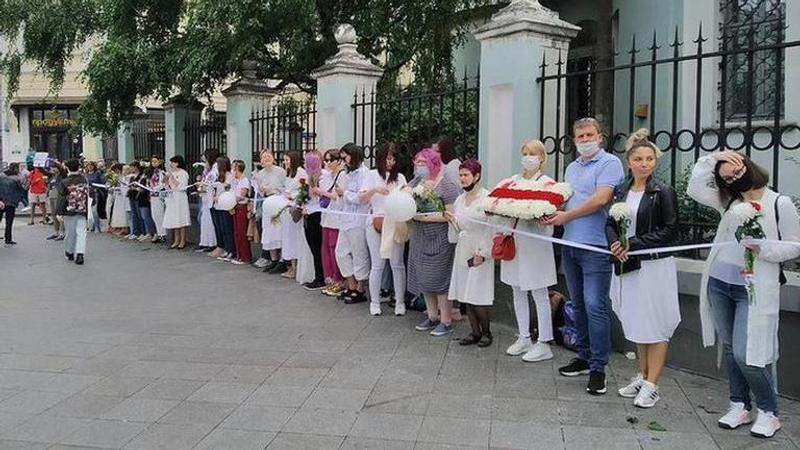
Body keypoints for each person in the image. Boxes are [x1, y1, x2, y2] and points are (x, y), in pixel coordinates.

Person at [688, 150, 800, 438]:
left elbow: (795, 245)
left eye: (736, 172)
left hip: (752, 288)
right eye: (727, 178)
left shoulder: (779, 203)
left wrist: (762, 249)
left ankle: (769, 411)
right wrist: (715, 158)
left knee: (746, 352)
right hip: (720, 282)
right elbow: (696, 187)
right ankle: (739, 403)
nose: (734, 179)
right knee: (729, 348)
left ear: (748, 165)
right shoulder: (730, 201)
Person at [543, 117, 624, 395]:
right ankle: (584, 356)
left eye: (590, 135)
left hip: (596, 247)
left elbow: (602, 199)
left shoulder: (610, 163)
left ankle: (599, 367)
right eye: (581, 137)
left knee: (595, 305)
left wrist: (567, 215)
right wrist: (550, 210)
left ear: (600, 137)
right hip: (571, 244)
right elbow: (567, 199)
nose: (586, 140)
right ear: (574, 140)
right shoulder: (572, 167)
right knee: (578, 304)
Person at [606, 129, 679, 408]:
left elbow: (671, 231)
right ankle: (643, 375)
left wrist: (632, 243)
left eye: (650, 159)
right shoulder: (621, 191)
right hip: (628, 265)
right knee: (637, 320)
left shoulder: (663, 192)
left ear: (655, 162)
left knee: (656, 322)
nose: (645, 163)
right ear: (629, 162)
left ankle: (653, 384)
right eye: (639, 158)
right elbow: (610, 223)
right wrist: (615, 243)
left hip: (654, 267)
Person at [499, 140, 560, 362]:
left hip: (536, 245)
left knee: (539, 293)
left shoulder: (547, 183)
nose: (527, 157)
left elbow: (550, 213)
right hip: (514, 242)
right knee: (517, 290)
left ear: (542, 158)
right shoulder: (512, 181)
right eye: (524, 153)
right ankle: (524, 336)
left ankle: (544, 342)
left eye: (532, 153)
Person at [408, 148, 461, 336]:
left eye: (423, 162)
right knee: (424, 278)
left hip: (440, 239)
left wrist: (424, 217)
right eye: (417, 162)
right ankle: (431, 316)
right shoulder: (416, 182)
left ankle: (445, 320)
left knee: (440, 279)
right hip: (420, 237)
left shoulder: (447, 186)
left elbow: (451, 215)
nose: (418, 166)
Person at [448, 159, 494, 346]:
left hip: (479, 249)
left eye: (466, 175)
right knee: (466, 293)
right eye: (460, 175)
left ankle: (486, 333)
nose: (463, 179)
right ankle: (474, 332)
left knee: (478, 294)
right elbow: (459, 226)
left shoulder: (487, 198)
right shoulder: (460, 199)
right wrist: (451, 220)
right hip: (463, 248)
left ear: (477, 176)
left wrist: (483, 253)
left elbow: (491, 228)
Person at [361, 143, 408, 316]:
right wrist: (374, 190)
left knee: (397, 264)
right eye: (388, 158)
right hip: (376, 220)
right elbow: (362, 199)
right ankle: (374, 302)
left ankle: (400, 301)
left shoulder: (400, 178)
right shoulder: (372, 175)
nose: (391, 162)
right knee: (378, 264)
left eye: (394, 158)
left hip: (395, 222)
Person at [335, 143, 371, 303]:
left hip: (358, 220)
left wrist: (346, 193)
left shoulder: (365, 174)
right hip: (346, 219)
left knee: (359, 254)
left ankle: (360, 288)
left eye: (345, 157)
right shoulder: (347, 174)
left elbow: (362, 198)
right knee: (340, 253)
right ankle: (351, 284)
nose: (343, 161)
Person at [253, 149, 288, 273]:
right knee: (268, 231)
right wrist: (261, 187)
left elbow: (286, 187)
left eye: (269, 156)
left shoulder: (280, 171)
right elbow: (260, 192)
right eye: (263, 157)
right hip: (267, 203)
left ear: (273, 158)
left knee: (280, 231)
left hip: (279, 202)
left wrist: (276, 190)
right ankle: (273, 259)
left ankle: (283, 260)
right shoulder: (260, 174)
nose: (266, 159)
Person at [318, 149, 346, 297]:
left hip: (337, 218)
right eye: (326, 160)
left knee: (334, 249)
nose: (327, 163)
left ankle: (339, 280)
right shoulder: (328, 175)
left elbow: (337, 197)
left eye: (330, 160)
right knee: (327, 249)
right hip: (327, 217)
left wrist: (320, 192)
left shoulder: (342, 176)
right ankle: (331, 279)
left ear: (338, 161)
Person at [57, 159, 90, 265]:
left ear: (67, 168)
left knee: (70, 232)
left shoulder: (65, 181)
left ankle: (70, 252)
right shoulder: (84, 180)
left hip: (69, 210)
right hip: (82, 209)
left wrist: (59, 212)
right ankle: (80, 254)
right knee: (81, 232)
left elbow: (62, 197)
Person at [302, 151, 327, 290]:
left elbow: (320, 197)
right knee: (313, 247)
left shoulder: (321, 177)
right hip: (309, 213)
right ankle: (318, 275)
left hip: (317, 214)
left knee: (316, 247)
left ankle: (320, 277)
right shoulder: (309, 177)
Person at [163, 155, 191, 249]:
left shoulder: (183, 173)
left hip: (180, 197)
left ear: (177, 163)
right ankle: (176, 239)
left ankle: (183, 240)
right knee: (174, 218)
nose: (171, 164)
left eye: (173, 162)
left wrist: (172, 178)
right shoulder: (170, 173)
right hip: (172, 197)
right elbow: (168, 186)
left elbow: (182, 187)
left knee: (181, 218)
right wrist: (166, 180)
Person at [210, 156, 236, 260]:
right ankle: (223, 247)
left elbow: (227, 188)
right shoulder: (217, 175)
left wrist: (219, 186)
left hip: (225, 205)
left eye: (217, 164)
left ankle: (230, 249)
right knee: (220, 227)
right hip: (216, 205)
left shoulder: (229, 175)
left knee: (227, 228)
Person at [229, 159, 252, 265]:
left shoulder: (244, 181)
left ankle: (245, 257)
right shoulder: (235, 180)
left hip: (241, 207)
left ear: (237, 168)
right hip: (234, 206)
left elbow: (242, 195)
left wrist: (231, 199)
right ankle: (239, 255)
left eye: (233, 167)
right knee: (237, 232)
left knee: (242, 232)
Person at [0, 164, 27, 245]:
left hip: (1, 201)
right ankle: (8, 239)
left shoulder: (1, 176)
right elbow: (21, 190)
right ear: (15, 169)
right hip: (11, 202)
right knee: (9, 221)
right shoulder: (16, 179)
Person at [199, 149, 220, 253]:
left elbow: (210, 183)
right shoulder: (209, 169)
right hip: (206, 198)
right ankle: (205, 242)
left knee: (210, 222)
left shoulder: (215, 169)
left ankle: (211, 243)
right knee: (205, 221)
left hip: (211, 198)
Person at [134, 162, 156, 242]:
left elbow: (147, 186)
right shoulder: (141, 176)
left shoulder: (147, 176)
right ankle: (148, 232)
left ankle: (152, 233)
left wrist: (140, 189)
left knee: (146, 216)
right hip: (140, 197)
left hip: (145, 198)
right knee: (143, 217)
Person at [148, 157, 167, 243]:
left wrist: (155, 188)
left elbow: (162, 184)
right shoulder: (152, 173)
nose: (153, 163)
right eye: (152, 161)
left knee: (160, 215)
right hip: (152, 195)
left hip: (158, 195)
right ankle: (159, 233)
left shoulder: (161, 172)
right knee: (154, 215)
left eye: (155, 161)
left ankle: (163, 234)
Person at [47, 161, 67, 241]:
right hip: (51, 195)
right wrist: (38, 165)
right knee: (53, 215)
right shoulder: (52, 176)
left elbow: (61, 169)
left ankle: (62, 232)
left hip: (58, 195)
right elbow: (43, 171)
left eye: (54, 167)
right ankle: (56, 232)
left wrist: (55, 163)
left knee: (59, 215)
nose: (53, 169)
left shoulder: (62, 175)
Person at [107, 163, 129, 237]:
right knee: (117, 212)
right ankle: (117, 225)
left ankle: (124, 227)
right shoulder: (117, 177)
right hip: (117, 195)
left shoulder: (125, 177)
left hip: (123, 196)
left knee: (122, 212)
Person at [126, 161, 145, 240]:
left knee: (139, 215)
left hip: (137, 196)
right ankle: (135, 232)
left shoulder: (141, 176)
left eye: (132, 167)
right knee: (134, 215)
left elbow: (142, 186)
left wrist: (135, 188)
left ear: (136, 167)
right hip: (132, 196)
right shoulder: (132, 177)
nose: (130, 169)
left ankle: (142, 232)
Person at [85, 161, 106, 233]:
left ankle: (97, 227)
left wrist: (94, 185)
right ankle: (91, 226)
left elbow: (102, 183)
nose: (90, 167)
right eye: (88, 166)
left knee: (95, 210)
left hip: (96, 192)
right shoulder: (86, 174)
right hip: (88, 193)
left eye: (91, 165)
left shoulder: (97, 174)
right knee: (89, 211)